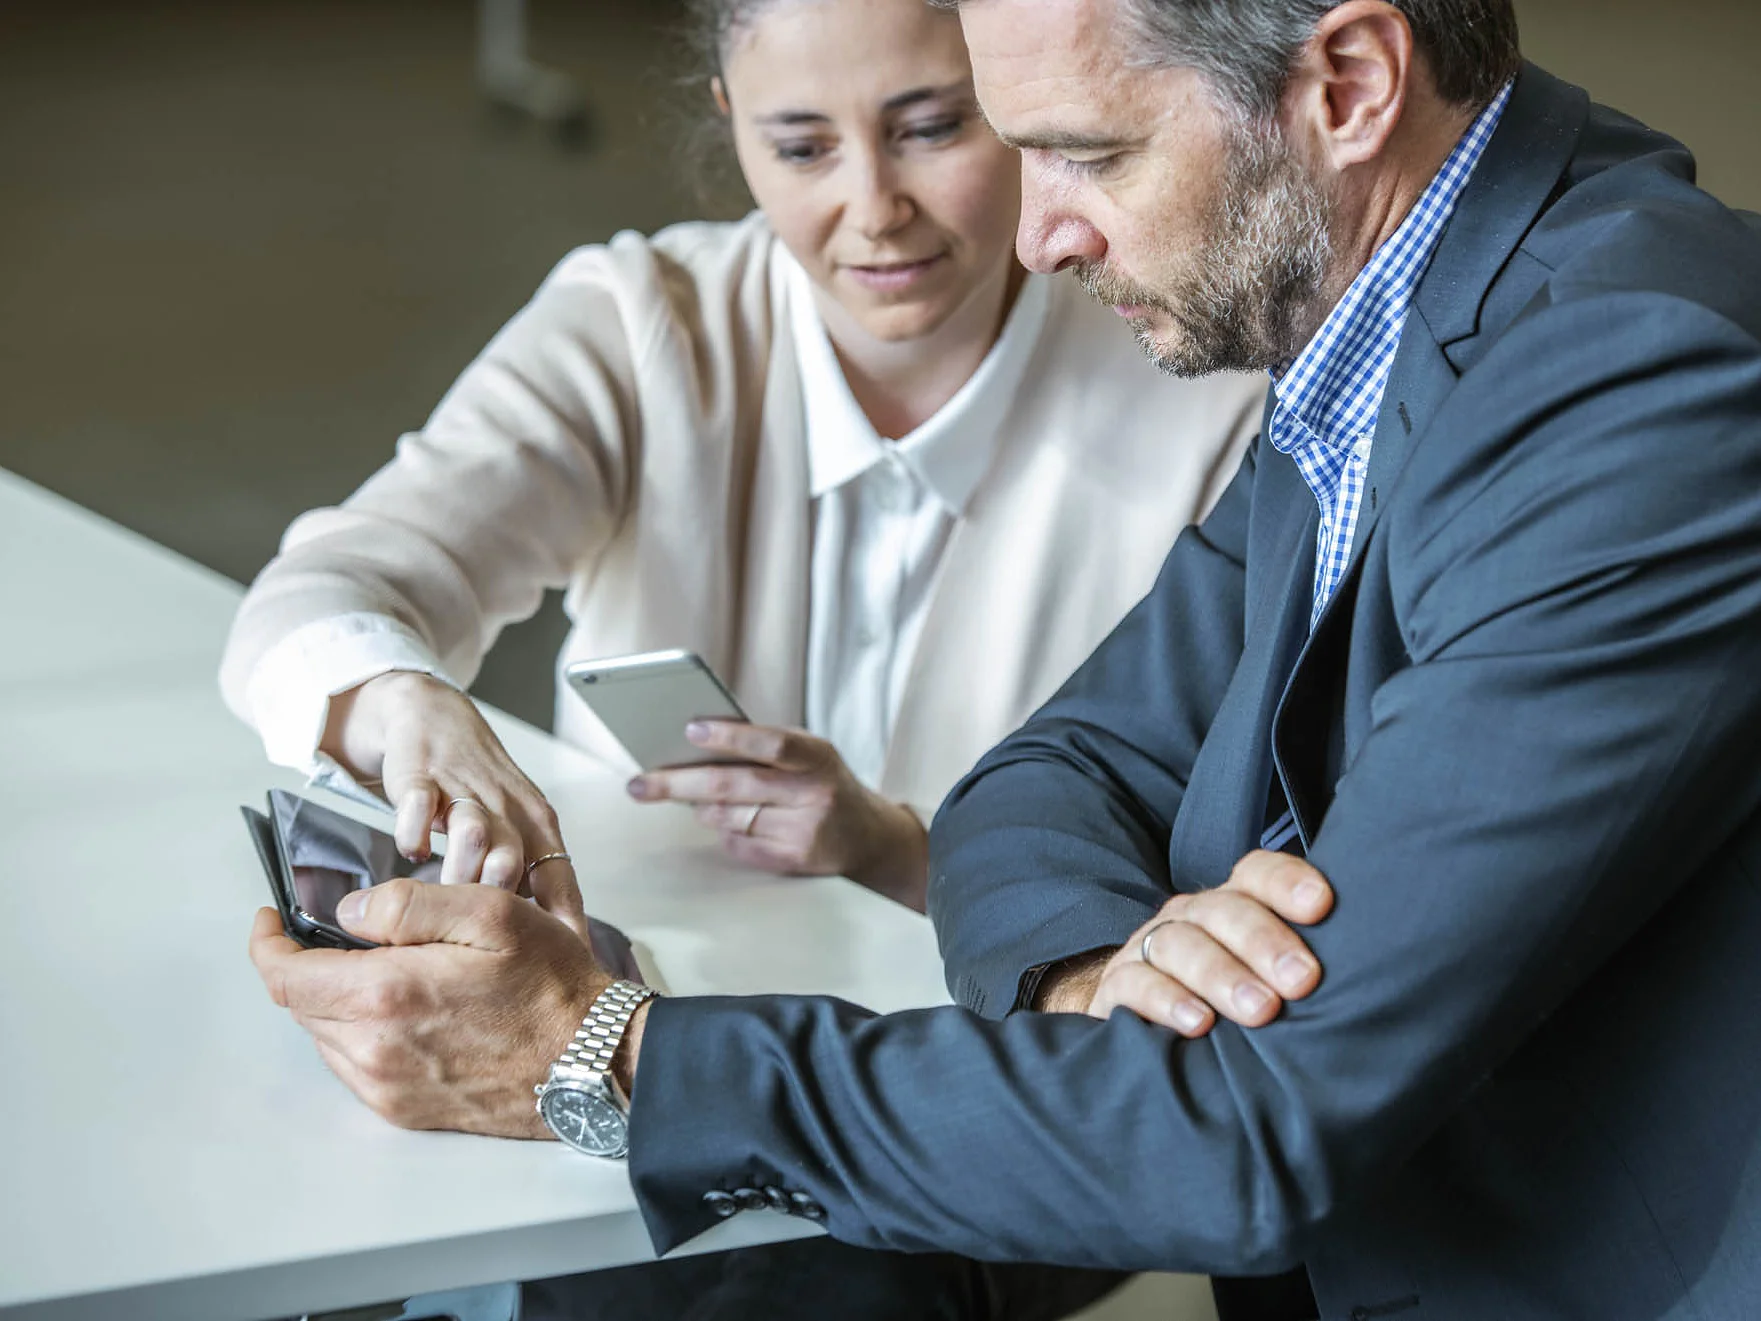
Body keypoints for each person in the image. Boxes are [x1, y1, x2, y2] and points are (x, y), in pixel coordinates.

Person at [253, 1, 1761, 1318]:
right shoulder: (1387, 298)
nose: (1041, 233)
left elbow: (1239, 1131)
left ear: (1350, 84)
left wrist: (609, 1053)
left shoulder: (1630, 384)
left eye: (1087, 154)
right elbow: (1042, 778)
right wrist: (1094, 969)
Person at [219, 0, 1267, 916]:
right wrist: (404, 699)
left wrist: (903, 851)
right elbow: (315, 598)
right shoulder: (640, 325)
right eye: (803, 148)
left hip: (992, 1052)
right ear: (732, 120)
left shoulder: (1201, 393)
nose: (875, 209)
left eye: (935, 127)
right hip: (646, 1000)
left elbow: (1224, 862)